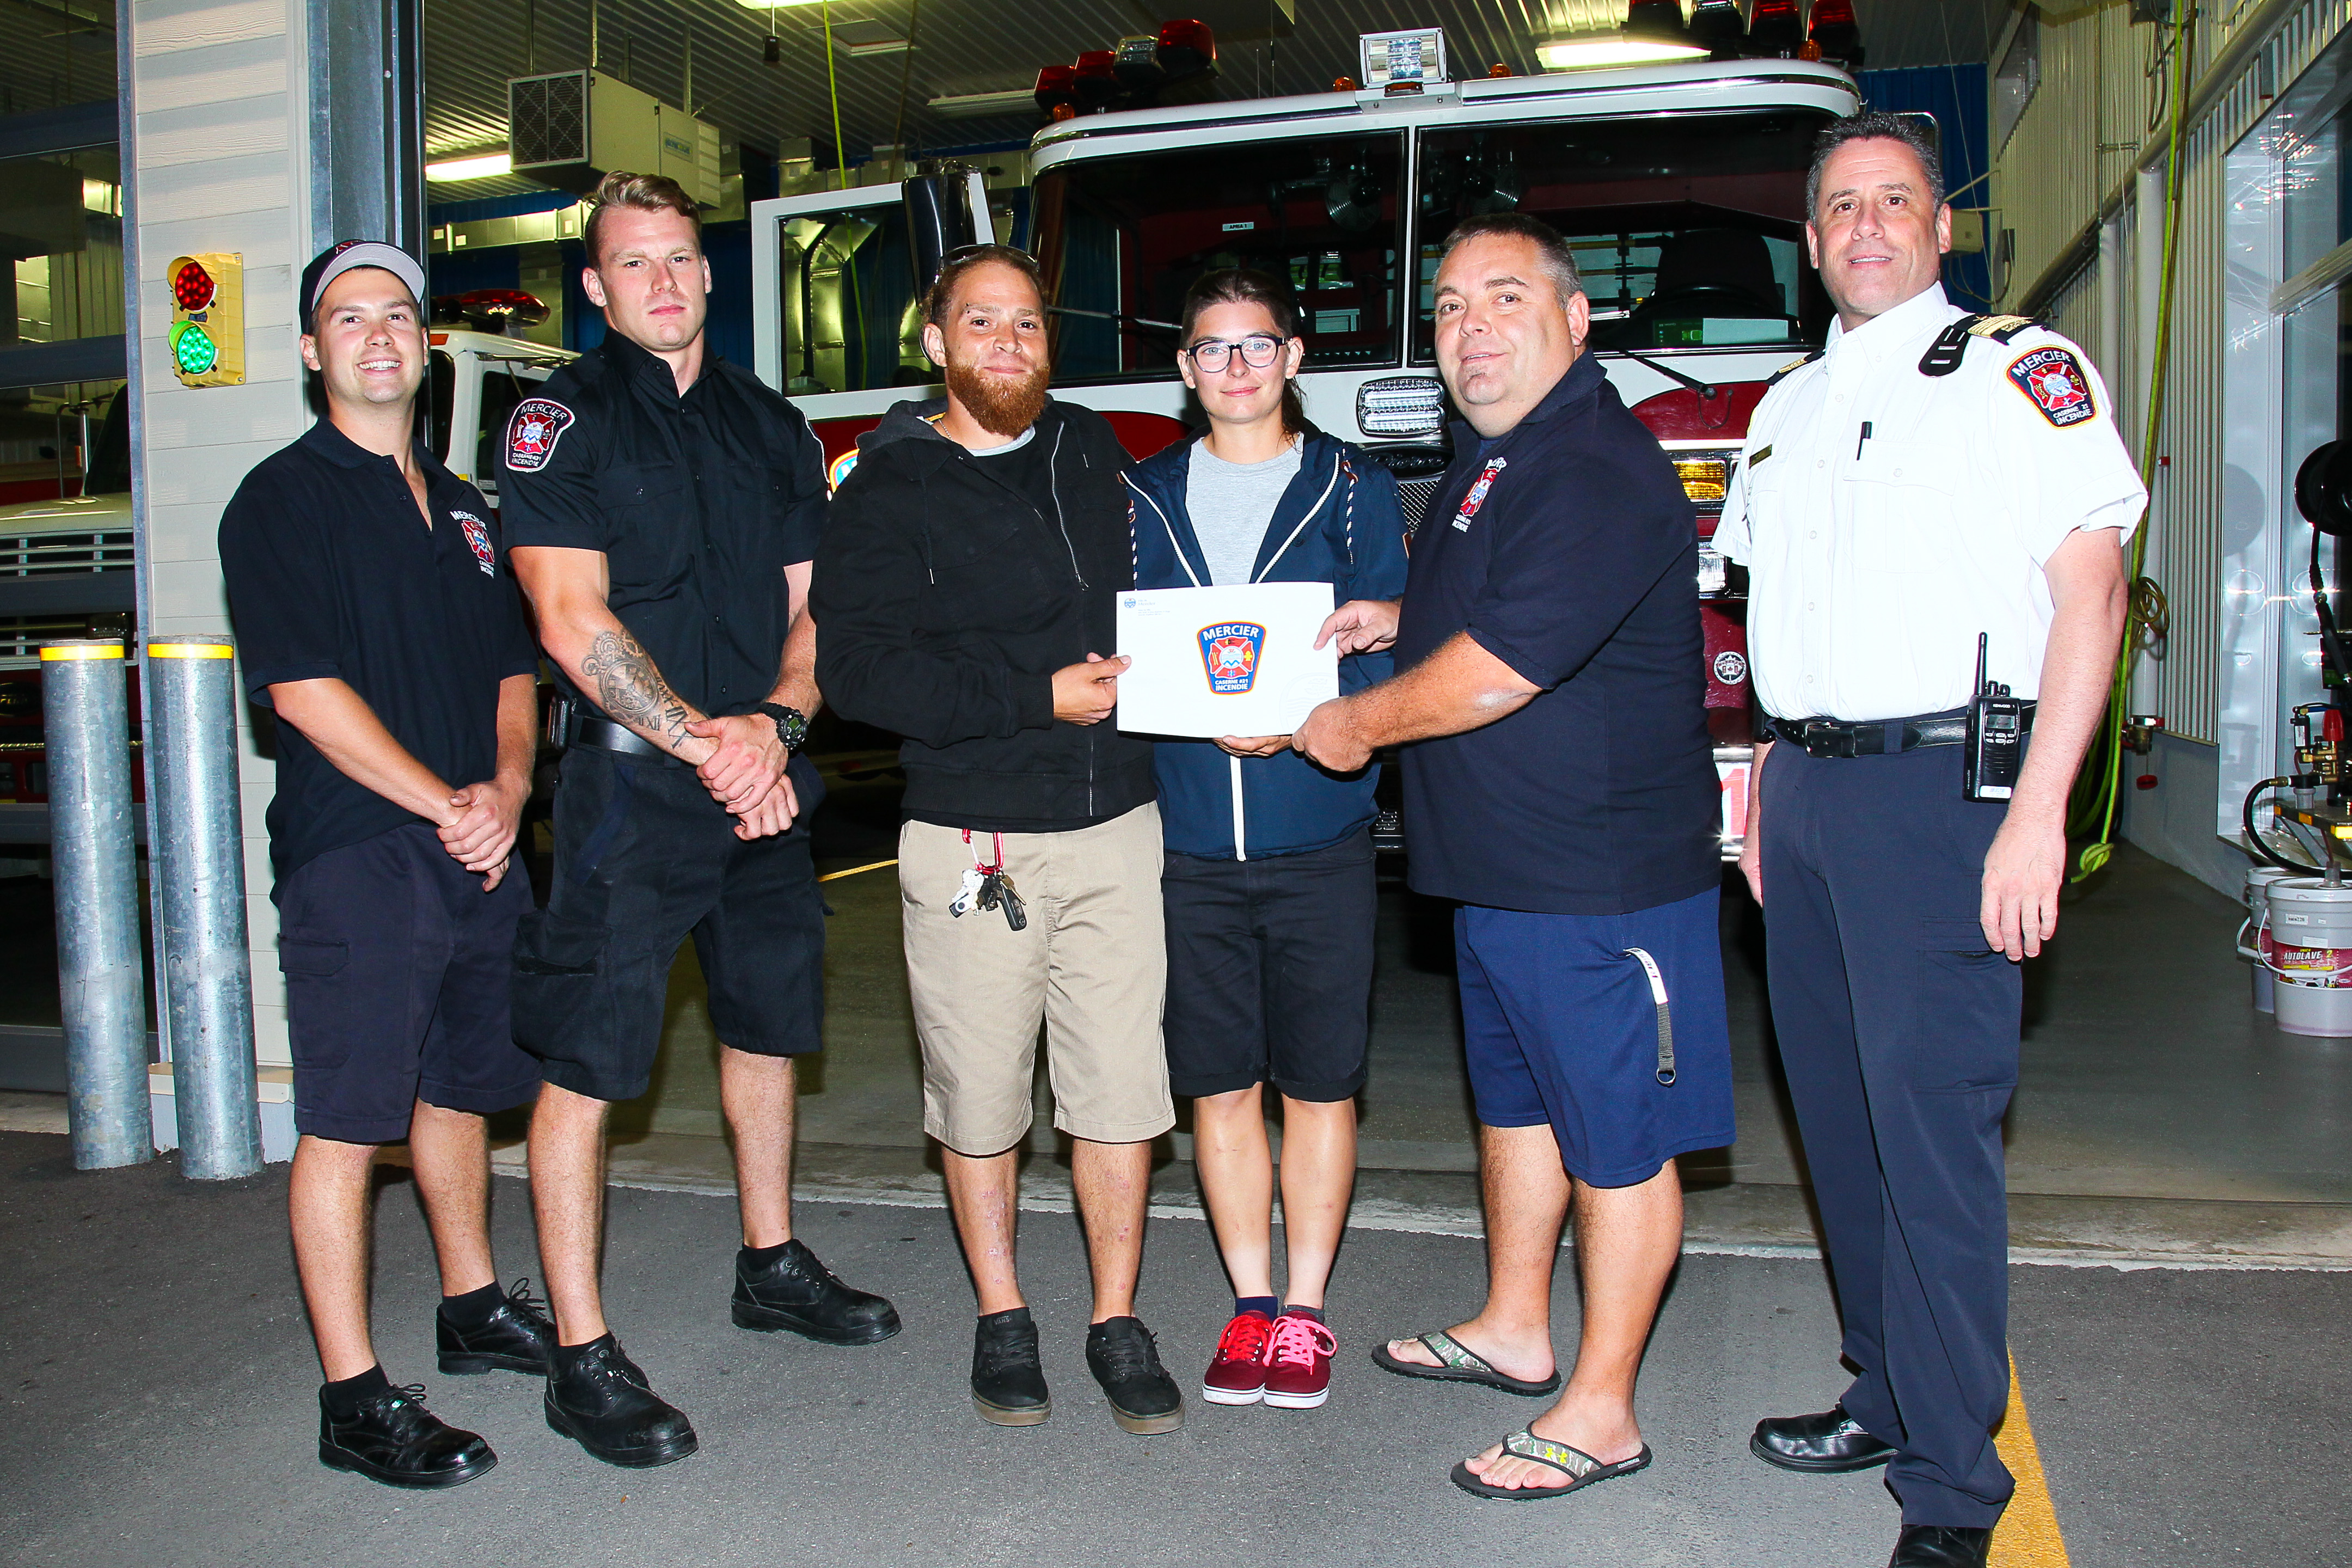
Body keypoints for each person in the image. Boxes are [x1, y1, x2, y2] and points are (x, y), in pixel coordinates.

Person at [1715, 115, 2141, 1568]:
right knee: (1840, 1126)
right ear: (1811, 238)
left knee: (1934, 1140)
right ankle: (1887, 1393)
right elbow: (1771, 623)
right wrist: (1762, 785)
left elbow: (2091, 598)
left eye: (1894, 200)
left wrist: (2035, 817)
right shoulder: (1786, 408)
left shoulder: (2019, 375)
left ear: (1941, 225)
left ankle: (1956, 1488)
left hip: (1947, 796)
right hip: (1810, 799)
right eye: (1840, 206)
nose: (1867, 226)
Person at [1289, 212, 1734, 1499]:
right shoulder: (1503, 458)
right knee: (1524, 1106)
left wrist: (1352, 725)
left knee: (1620, 1141)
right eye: (1448, 307)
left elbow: (1500, 670)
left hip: (1598, 883)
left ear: (1576, 319)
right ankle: (1515, 1326)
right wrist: (1396, 615)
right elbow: (1492, 608)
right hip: (1500, 873)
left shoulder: (1591, 464)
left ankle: (1603, 1411)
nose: (1469, 328)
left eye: (1503, 298)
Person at [501, 170, 897, 1469]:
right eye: (635, 262)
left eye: (679, 257)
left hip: (759, 771)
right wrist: (709, 745)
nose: (663, 281)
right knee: (587, 1061)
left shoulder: (772, 425)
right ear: (595, 285)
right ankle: (579, 1354)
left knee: (766, 1025)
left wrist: (775, 727)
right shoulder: (561, 420)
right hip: (632, 787)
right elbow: (571, 619)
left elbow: (817, 608)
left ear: (709, 272)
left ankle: (770, 1263)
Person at [814, 244, 1184, 1437]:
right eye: (981, 323)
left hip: (1119, 823)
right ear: (937, 342)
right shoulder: (885, 485)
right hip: (973, 836)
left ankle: (1115, 1319)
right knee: (979, 1099)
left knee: (1120, 1095)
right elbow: (858, 671)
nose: (1008, 345)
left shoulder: (1092, 449)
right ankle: (1003, 1313)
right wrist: (1035, 699)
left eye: (1026, 323)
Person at [220, 240, 553, 1489]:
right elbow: (302, 690)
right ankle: (354, 1399)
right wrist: (443, 803)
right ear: (314, 351)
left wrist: (507, 792)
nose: (378, 335)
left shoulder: (469, 511)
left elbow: (514, 674)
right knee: (349, 1118)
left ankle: (472, 1307)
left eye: (399, 316)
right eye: (350, 317)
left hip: (479, 844)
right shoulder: (280, 500)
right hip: (359, 854)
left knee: (460, 1091)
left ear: (427, 347)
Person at [1122, 268, 1408, 1411]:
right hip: (1187, 845)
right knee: (1220, 1083)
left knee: (1321, 1084)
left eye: (1256, 345)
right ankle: (1249, 1304)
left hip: (1319, 836)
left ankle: (1306, 1311)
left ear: (1292, 358)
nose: (1235, 366)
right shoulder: (1140, 494)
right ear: (1185, 369)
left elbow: (1392, 650)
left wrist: (1313, 722)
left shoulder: (1355, 486)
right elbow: (1122, 647)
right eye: (1212, 347)